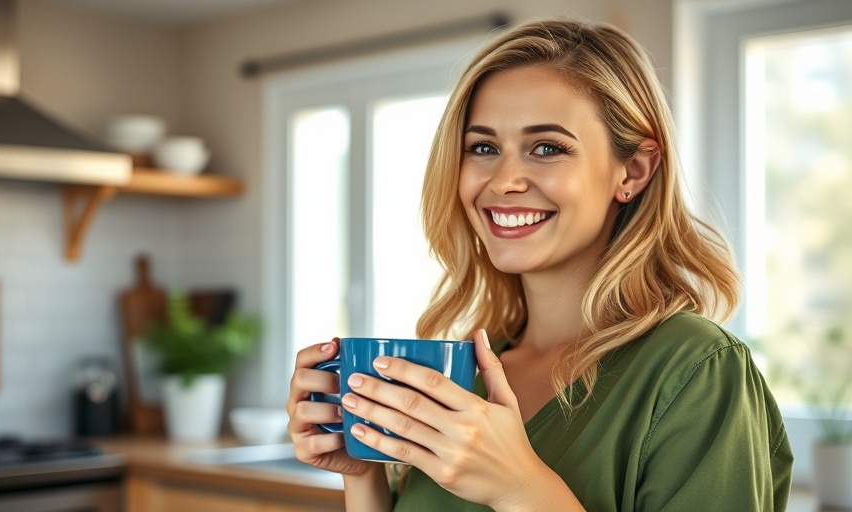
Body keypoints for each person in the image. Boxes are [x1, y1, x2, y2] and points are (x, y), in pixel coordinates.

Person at [286, 18, 793, 511]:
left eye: (547, 148)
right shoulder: (469, 371)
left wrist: (520, 490)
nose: (504, 180)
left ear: (633, 171)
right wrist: (363, 473)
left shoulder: (696, 371)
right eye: (483, 147)